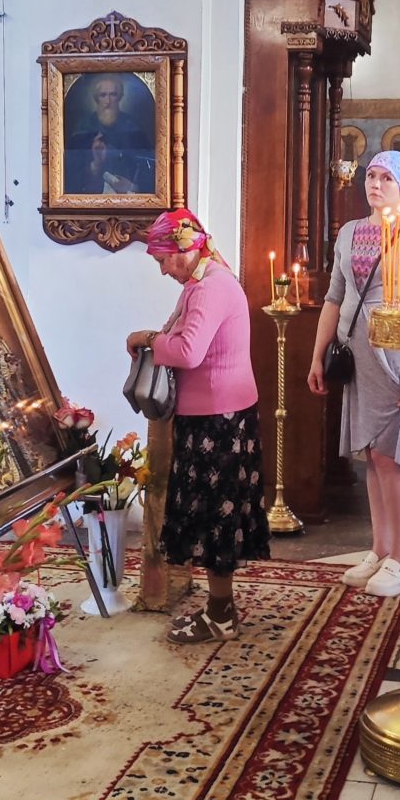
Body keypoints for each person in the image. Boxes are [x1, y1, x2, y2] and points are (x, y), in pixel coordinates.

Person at [126, 209, 268, 644]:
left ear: (181, 249)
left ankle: (221, 615)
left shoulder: (211, 286)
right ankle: (220, 608)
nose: (163, 270)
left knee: (214, 518)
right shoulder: (203, 281)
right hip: (215, 416)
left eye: (162, 260)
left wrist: (148, 339)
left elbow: (188, 351)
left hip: (218, 422)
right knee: (211, 517)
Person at [308, 151, 400, 599]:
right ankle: (380, 549)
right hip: (357, 358)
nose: (375, 184)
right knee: (372, 456)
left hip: (398, 359)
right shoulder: (349, 232)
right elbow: (334, 298)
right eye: (371, 176)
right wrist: (317, 356)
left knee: (392, 459)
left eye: (386, 178)